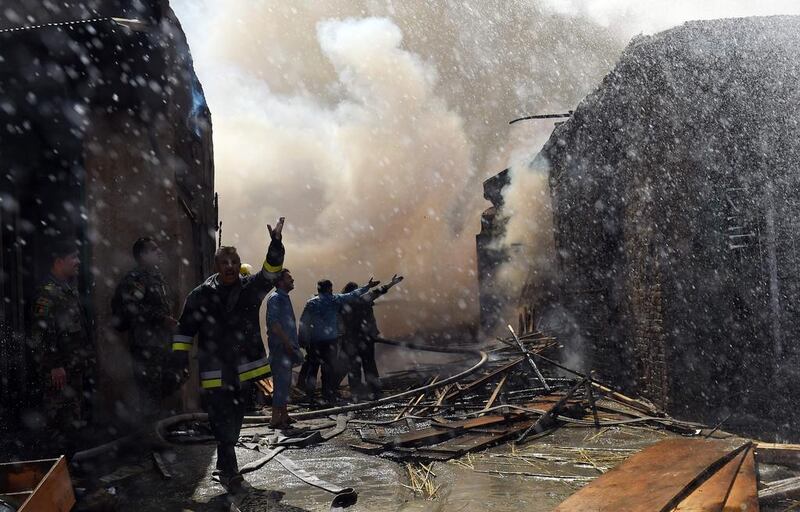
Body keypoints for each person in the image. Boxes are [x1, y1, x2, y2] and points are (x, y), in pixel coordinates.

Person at [169, 217, 286, 492]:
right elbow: (185, 329)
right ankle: (229, 467)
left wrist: (276, 243)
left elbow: (271, 272)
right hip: (214, 369)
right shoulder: (199, 296)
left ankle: (226, 459)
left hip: (243, 369)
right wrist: (179, 360)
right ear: (216, 267)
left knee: (235, 415)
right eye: (225, 263)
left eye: (235, 262)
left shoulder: (250, 289)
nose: (231, 267)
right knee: (221, 416)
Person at [30, 240, 94, 449]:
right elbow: (40, 332)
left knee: (72, 419)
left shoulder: (67, 289)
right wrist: (54, 364)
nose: (78, 261)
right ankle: (57, 470)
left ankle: (70, 467)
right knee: (57, 421)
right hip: (59, 371)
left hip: (72, 367)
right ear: (58, 262)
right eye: (73, 257)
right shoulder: (48, 293)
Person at [111, 237, 177, 425]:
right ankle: (150, 435)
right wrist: (160, 318)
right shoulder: (136, 279)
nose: (159, 252)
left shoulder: (157, 276)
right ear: (142, 255)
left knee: (165, 383)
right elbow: (131, 308)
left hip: (162, 342)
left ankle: (156, 428)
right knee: (149, 391)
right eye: (154, 249)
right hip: (146, 345)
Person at [298, 277, 378, 403]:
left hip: (315, 342)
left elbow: (304, 322)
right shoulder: (335, 300)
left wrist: (302, 339)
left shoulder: (311, 303)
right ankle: (328, 396)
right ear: (330, 288)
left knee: (312, 370)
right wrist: (367, 286)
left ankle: (309, 396)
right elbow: (352, 294)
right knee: (327, 370)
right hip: (330, 342)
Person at [340, 274, 404, 400]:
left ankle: (356, 392)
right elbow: (380, 290)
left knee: (354, 367)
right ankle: (375, 391)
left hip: (351, 339)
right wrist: (392, 283)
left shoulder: (341, 303)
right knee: (369, 365)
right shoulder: (364, 299)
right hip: (366, 338)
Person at [265, 269, 301, 428]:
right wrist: (287, 343)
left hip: (286, 347)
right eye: (288, 277)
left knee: (285, 382)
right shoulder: (276, 298)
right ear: (280, 282)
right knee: (280, 382)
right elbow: (274, 324)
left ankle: (284, 416)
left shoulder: (283, 297)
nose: (292, 279)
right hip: (281, 348)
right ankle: (274, 419)